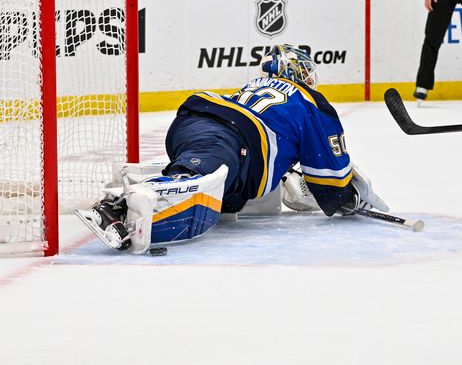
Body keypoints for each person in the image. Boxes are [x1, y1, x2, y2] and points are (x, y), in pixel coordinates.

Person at [75, 44, 390, 253]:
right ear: (296, 73)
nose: (311, 80)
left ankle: (158, 180)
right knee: (203, 174)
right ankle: (118, 206)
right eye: (306, 73)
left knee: (217, 179)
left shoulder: (254, 87)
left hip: (195, 122)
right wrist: (352, 199)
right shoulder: (311, 102)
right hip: (231, 138)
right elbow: (331, 188)